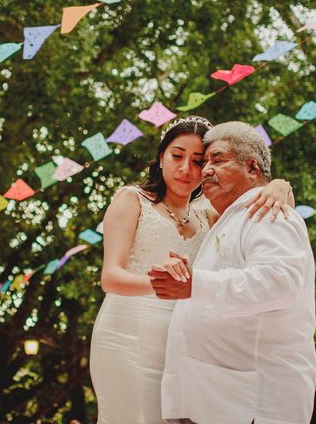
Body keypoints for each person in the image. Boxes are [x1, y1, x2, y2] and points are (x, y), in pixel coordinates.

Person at [90, 116, 294, 423]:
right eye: (176, 156)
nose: (186, 169)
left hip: (180, 341)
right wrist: (165, 282)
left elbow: (259, 203)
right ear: (161, 157)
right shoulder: (132, 199)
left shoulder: (208, 213)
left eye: (198, 161)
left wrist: (280, 185)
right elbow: (110, 278)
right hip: (127, 332)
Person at [149, 121, 316, 424]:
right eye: (206, 162)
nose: (205, 170)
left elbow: (279, 283)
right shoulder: (230, 218)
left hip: (249, 404)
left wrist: (194, 285)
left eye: (218, 160)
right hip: (214, 401)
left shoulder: (269, 212)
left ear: (252, 169)